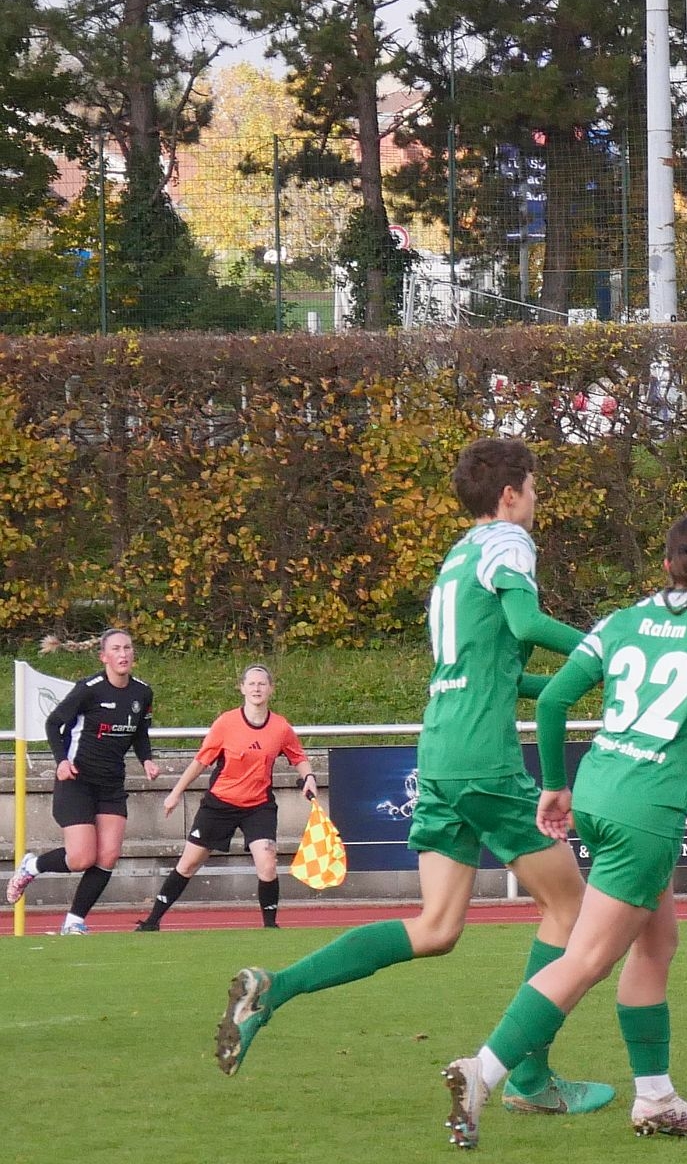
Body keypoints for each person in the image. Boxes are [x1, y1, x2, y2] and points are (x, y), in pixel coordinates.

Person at [215, 437, 613, 1118]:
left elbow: (499, 672)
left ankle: (272, 987)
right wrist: (607, 649)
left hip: (438, 753)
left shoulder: (455, 560)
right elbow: (523, 622)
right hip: (483, 759)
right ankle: (530, 1078)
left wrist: (586, 680)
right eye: (535, 486)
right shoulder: (507, 542)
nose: (538, 500)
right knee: (571, 909)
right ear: (509, 493)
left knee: (436, 927)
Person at [441, 513, 687, 1148]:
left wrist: (556, 783)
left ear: (668, 565)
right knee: (587, 958)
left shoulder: (621, 620)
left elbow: (556, 700)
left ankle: (654, 1098)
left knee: (655, 944)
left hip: (598, 792)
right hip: (647, 813)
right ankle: (482, 1071)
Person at [136, 664, 317, 931]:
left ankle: (271, 927)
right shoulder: (226, 723)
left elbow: (298, 757)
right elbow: (200, 761)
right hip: (220, 803)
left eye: (262, 684)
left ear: (271, 689)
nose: (257, 688)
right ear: (242, 688)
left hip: (258, 805)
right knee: (188, 863)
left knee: (267, 863)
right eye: (252, 684)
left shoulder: (280, 727)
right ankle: (152, 922)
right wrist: (175, 794)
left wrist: (310, 777)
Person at [8, 628, 158, 935]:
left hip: (111, 785)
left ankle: (74, 921)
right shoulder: (89, 689)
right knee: (81, 858)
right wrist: (61, 762)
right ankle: (31, 866)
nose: (123, 654)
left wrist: (147, 760)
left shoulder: (142, 693)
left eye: (127, 648)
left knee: (108, 856)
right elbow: (53, 723)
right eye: (116, 649)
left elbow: (139, 733)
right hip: (77, 781)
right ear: (104, 656)